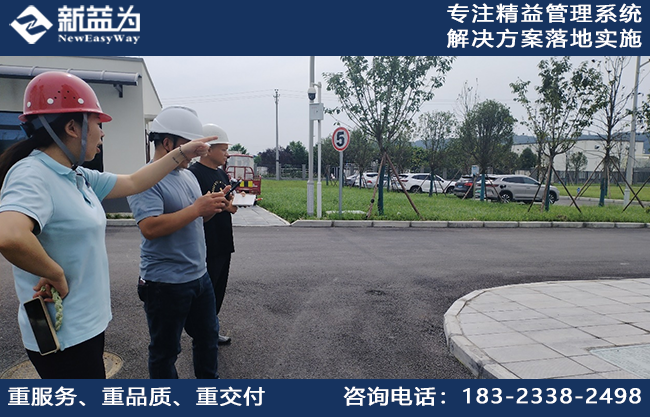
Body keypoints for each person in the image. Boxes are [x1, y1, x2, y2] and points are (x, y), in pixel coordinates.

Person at [0, 72, 215, 379]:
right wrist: (54, 272)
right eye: (97, 123)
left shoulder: (76, 175)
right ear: (72, 128)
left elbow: (135, 181)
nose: (102, 133)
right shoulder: (32, 174)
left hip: (84, 325)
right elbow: (9, 235)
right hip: (62, 332)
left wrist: (183, 152)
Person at [127, 106, 229, 379]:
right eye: (190, 147)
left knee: (208, 338)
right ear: (168, 143)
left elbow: (196, 219)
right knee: (165, 351)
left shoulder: (188, 176)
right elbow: (150, 227)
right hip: (165, 283)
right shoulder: (146, 179)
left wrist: (211, 208)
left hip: (199, 276)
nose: (196, 153)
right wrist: (196, 209)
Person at [188, 123, 237, 346]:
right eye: (224, 149)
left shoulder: (221, 173)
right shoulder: (193, 175)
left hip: (223, 241)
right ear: (208, 150)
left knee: (218, 290)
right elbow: (194, 210)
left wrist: (228, 205)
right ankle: (202, 334)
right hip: (206, 244)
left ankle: (210, 330)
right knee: (204, 294)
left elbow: (230, 207)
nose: (227, 154)